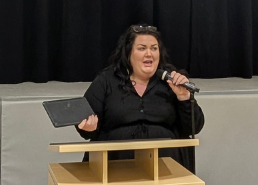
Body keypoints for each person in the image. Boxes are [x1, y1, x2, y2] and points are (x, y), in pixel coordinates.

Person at [77, 25, 205, 173]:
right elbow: (85, 126)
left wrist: (184, 97)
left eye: (154, 48)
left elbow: (194, 128)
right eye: (142, 48)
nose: (149, 54)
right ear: (128, 53)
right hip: (114, 168)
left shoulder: (172, 81)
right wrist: (88, 127)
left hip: (168, 168)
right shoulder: (107, 80)